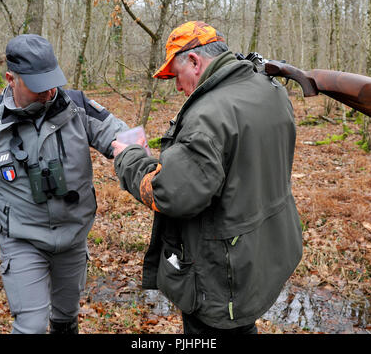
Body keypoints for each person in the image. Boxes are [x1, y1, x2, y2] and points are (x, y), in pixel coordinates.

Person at [112, 21, 303, 334]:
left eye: (176, 74)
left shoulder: (208, 116)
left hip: (222, 274)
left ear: (195, 62)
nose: (176, 86)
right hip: (261, 255)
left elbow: (170, 194)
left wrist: (129, 157)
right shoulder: (269, 89)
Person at [0, 34, 128, 334]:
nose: (48, 92)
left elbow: (119, 136)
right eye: (37, 84)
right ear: (10, 79)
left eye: (52, 81)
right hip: (22, 240)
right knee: (30, 326)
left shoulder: (76, 107)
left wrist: (136, 152)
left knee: (66, 318)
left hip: (73, 238)